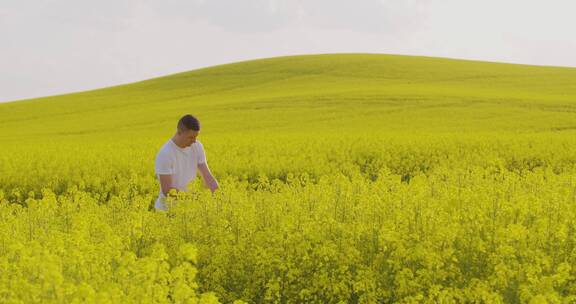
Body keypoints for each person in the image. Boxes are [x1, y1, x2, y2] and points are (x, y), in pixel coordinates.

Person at [154, 114, 219, 211]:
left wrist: (219, 196)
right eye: (191, 137)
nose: (194, 141)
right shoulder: (165, 153)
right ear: (179, 132)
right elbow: (167, 190)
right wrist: (192, 198)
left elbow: (207, 176)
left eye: (196, 137)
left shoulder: (197, 147)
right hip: (167, 211)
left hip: (187, 210)